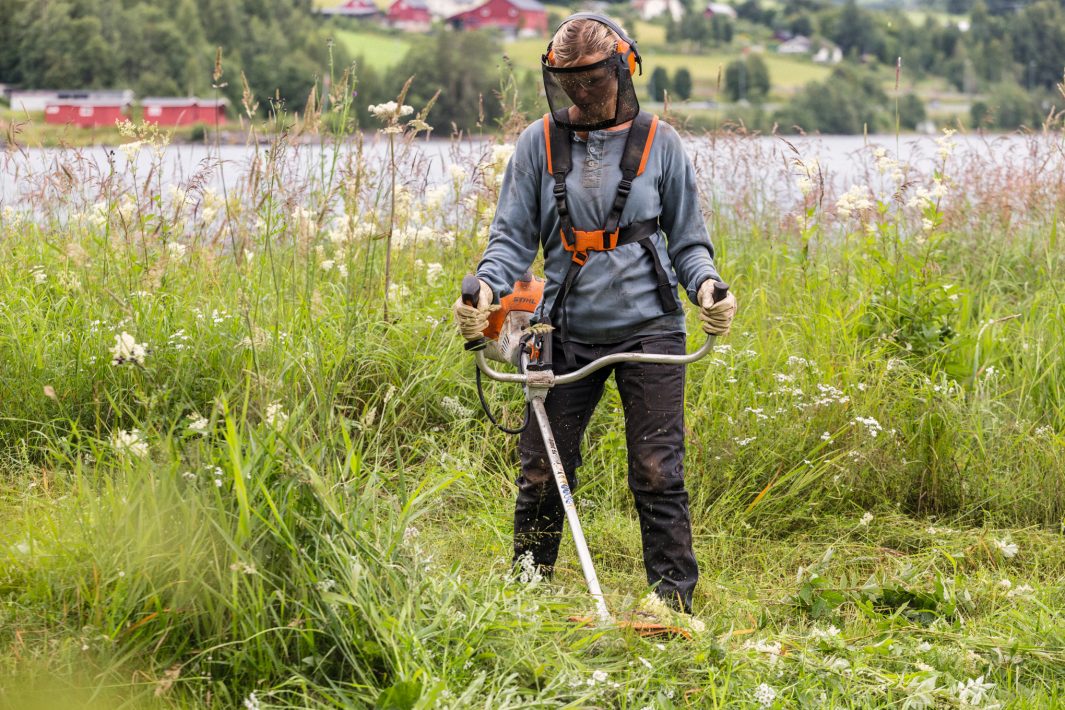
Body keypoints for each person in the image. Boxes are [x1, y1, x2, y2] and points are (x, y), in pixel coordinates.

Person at [452, 13, 737, 616]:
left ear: (622, 69)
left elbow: (687, 242)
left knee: (658, 469)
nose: (581, 96)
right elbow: (510, 240)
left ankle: (672, 606)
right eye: (569, 84)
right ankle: (526, 599)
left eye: (592, 82)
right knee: (539, 471)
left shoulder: (662, 143)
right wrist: (482, 291)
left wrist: (708, 287)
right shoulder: (539, 142)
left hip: (651, 326)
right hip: (564, 328)